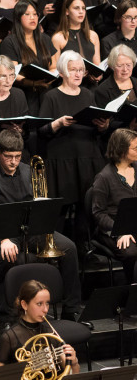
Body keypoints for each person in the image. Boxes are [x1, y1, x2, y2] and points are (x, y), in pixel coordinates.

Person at [0, 129, 82, 330]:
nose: (13, 162)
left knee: (69, 248)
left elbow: (39, 205)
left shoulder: (28, 170)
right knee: (8, 257)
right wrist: (3, 239)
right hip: (0, 234)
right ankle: (7, 318)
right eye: (8, 157)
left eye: (17, 157)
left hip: (31, 230)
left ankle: (71, 310)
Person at [38, 50, 108, 243]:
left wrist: (103, 127)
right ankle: (55, 247)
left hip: (87, 157)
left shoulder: (88, 94)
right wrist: (57, 124)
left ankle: (84, 247)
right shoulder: (51, 96)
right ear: (61, 72)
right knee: (60, 209)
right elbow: (41, 130)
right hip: (62, 159)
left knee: (85, 207)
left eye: (81, 70)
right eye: (73, 70)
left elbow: (96, 127)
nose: (78, 74)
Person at [0, 280, 80, 372]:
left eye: (47, 303)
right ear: (24, 305)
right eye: (39, 304)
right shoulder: (9, 338)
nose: (45, 310)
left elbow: (72, 375)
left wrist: (73, 363)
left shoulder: (51, 333)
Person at [91, 129, 137, 283]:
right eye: (135, 148)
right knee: (130, 252)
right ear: (122, 150)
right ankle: (132, 291)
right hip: (113, 228)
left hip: (134, 224)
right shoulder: (104, 177)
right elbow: (98, 213)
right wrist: (120, 231)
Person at [0, 0, 58, 115]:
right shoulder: (10, 42)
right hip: (24, 93)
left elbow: (53, 66)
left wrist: (52, 76)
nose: (33, 18)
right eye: (27, 14)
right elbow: (13, 74)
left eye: (35, 14)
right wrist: (33, 83)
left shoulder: (45, 39)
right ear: (18, 18)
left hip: (46, 90)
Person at [51, 0, 101, 71]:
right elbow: (54, 68)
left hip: (90, 81)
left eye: (83, 8)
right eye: (76, 8)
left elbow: (97, 65)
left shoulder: (93, 35)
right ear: (67, 11)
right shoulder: (58, 38)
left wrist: (98, 75)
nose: (81, 12)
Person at [95, 45, 137, 111]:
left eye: (128, 65)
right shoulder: (102, 90)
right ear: (112, 66)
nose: (125, 69)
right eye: (120, 66)